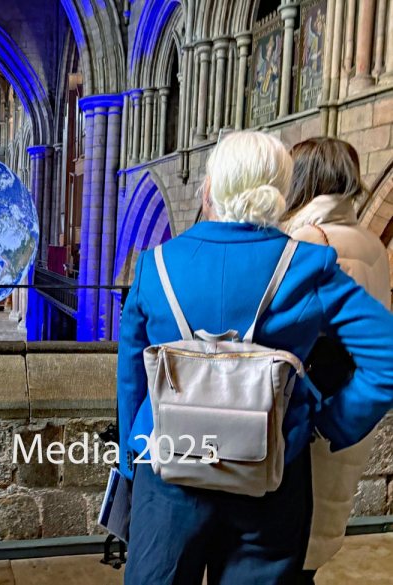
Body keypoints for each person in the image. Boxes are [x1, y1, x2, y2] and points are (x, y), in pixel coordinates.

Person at [117, 131, 393, 585]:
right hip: (271, 472)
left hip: (168, 469)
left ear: (209, 191)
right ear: (280, 194)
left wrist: (133, 458)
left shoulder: (156, 264)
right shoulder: (310, 266)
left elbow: (131, 377)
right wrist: (327, 422)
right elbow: (385, 359)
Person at [282, 137, 391, 585]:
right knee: (308, 552)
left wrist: (325, 420)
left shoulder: (311, 240)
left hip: (307, 424)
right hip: (341, 418)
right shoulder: (370, 242)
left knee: (285, 556)